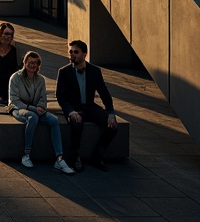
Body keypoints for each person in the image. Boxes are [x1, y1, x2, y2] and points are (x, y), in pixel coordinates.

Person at [56, 39, 118, 172]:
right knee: (76, 125)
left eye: (76, 52)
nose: (72, 54)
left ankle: (97, 156)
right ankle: (75, 156)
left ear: (84, 54)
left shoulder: (95, 71)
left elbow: (104, 93)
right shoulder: (64, 72)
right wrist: (71, 112)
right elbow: (60, 96)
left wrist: (111, 114)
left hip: (90, 107)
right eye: (70, 52)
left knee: (112, 126)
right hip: (74, 109)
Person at [8, 51, 74, 173]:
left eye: (35, 63)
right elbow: (14, 100)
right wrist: (33, 109)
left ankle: (59, 158)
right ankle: (26, 155)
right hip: (18, 109)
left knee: (53, 120)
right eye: (30, 62)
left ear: (39, 65)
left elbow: (43, 99)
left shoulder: (40, 80)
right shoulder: (15, 78)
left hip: (36, 110)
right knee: (32, 117)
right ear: (25, 63)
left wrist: (41, 107)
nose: (32, 65)